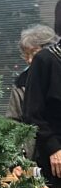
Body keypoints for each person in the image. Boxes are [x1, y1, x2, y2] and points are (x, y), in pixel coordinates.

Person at [8, 26, 58, 158]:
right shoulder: (21, 82)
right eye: (26, 54)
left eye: (34, 53)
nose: (30, 60)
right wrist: (18, 155)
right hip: (34, 154)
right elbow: (13, 121)